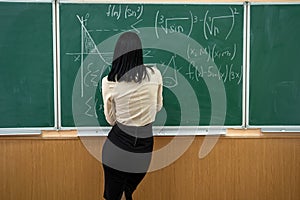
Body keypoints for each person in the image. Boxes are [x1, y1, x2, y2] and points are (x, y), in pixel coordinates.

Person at [101, 32, 163, 200]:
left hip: (119, 142)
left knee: (114, 195)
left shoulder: (110, 81)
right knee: (128, 190)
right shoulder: (155, 74)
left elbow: (110, 119)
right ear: (139, 52)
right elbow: (158, 106)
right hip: (145, 141)